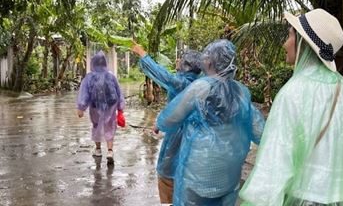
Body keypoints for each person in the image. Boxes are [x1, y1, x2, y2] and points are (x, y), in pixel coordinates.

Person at [239, 9, 343, 206]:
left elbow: (277, 161)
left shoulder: (294, 92)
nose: (284, 43)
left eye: (289, 35)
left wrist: (259, 200)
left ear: (302, 43)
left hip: (306, 198)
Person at [155, 39, 265, 205]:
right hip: (229, 175)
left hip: (199, 173)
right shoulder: (241, 92)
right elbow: (260, 131)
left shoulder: (201, 87)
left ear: (210, 61)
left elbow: (172, 117)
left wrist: (159, 123)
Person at [131, 42, 202, 204]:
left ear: (186, 65)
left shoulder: (183, 83)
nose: (177, 60)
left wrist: (143, 54)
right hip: (194, 145)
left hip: (176, 142)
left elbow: (164, 76)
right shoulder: (202, 84)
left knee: (168, 180)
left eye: (181, 58)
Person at [77, 51, 125, 164]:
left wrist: (81, 107)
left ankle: (98, 150)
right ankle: (110, 151)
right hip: (110, 106)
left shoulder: (89, 77)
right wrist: (120, 108)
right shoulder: (111, 76)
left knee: (96, 125)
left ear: (93, 63)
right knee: (110, 126)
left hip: (95, 106)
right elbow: (118, 92)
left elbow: (84, 93)